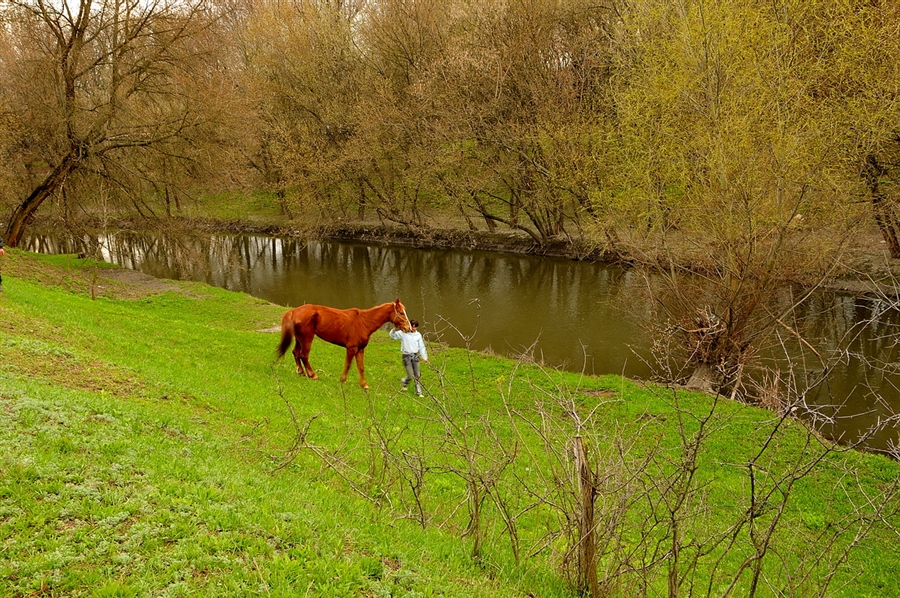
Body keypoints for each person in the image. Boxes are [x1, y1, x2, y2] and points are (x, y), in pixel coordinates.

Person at [390, 319, 428, 397]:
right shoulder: (403, 333)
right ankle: (404, 381)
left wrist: (424, 357)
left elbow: (421, 346)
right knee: (410, 375)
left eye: (415, 327)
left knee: (417, 374)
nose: (413, 328)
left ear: (417, 327)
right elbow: (393, 336)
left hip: (415, 356)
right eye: (412, 326)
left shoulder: (418, 335)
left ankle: (419, 392)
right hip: (406, 356)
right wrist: (394, 329)